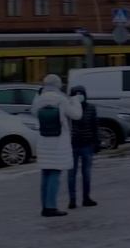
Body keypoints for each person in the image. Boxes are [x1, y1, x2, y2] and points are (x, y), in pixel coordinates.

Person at [31, 74, 83, 217]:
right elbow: (76, 115)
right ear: (58, 85)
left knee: (46, 174)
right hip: (59, 142)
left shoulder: (39, 99)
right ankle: (51, 207)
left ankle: (44, 206)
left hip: (43, 141)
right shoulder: (61, 99)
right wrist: (76, 100)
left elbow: (33, 112)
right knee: (55, 173)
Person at [67, 86, 99, 210]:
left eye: (81, 94)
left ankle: (86, 198)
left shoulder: (91, 108)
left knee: (86, 173)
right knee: (71, 174)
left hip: (87, 144)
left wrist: (96, 143)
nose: (79, 96)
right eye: (76, 94)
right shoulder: (69, 109)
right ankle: (72, 200)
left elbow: (95, 126)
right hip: (73, 145)